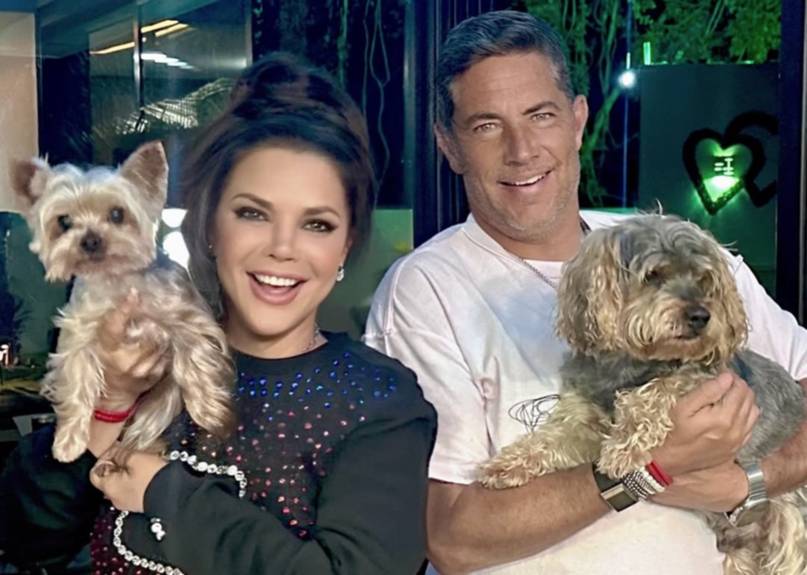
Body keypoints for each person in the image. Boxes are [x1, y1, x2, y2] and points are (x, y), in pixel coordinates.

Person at [364, 10, 807, 575]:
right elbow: (454, 540)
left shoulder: (687, 256)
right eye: (487, 126)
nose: (521, 150)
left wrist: (749, 481)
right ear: (448, 145)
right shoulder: (427, 290)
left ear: (577, 121)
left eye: (540, 115)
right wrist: (648, 471)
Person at [0, 52, 436, 574]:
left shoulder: (379, 403)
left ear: (345, 244)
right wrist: (110, 405)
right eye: (252, 214)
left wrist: (168, 494)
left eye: (316, 224)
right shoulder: (138, 359)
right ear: (209, 226)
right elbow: (28, 544)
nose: (282, 247)